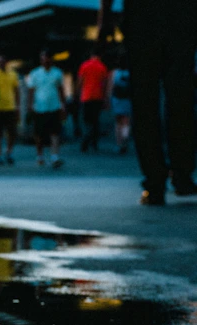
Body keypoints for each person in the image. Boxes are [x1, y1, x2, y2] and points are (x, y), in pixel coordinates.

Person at [99, 0, 197, 205]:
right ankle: (182, 174)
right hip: (182, 15)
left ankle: (155, 182)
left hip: (142, 17)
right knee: (181, 97)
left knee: (144, 101)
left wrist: (105, 22)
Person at [27, 49, 66, 168]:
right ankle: (40, 155)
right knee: (39, 134)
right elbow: (31, 91)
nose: (46, 61)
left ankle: (55, 156)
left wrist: (63, 105)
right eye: (43, 59)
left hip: (54, 107)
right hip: (39, 108)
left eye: (47, 59)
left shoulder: (57, 73)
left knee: (55, 132)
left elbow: (61, 90)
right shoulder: (35, 74)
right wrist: (30, 105)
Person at [77, 47, 108, 152]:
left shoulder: (84, 66)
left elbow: (80, 81)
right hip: (98, 97)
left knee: (86, 120)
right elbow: (104, 84)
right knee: (95, 120)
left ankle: (86, 138)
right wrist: (105, 98)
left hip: (86, 96)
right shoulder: (102, 67)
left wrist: (77, 93)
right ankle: (94, 142)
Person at [107, 55, 132, 154]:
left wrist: (108, 99)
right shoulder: (130, 73)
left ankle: (119, 142)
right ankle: (125, 137)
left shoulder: (114, 73)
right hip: (127, 99)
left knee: (118, 121)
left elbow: (110, 87)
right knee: (126, 120)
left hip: (117, 98)